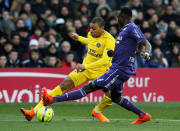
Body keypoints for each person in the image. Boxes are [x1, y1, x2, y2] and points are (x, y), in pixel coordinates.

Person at [42, 7, 152, 124]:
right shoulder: (124, 31)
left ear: (124, 16)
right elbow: (127, 49)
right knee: (115, 97)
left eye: (118, 17)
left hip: (119, 69)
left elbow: (146, 43)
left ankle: (52, 99)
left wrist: (146, 53)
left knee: (88, 88)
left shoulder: (131, 27)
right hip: (120, 68)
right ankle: (142, 115)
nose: (117, 20)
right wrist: (113, 53)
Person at [20, 17, 115, 122]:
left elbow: (106, 60)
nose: (91, 31)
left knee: (111, 96)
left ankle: (97, 111)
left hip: (101, 72)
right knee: (63, 86)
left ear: (102, 28)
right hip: (84, 70)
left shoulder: (109, 40)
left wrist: (85, 66)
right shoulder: (91, 34)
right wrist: (79, 38)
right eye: (90, 28)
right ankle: (32, 112)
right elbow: (90, 41)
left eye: (94, 29)